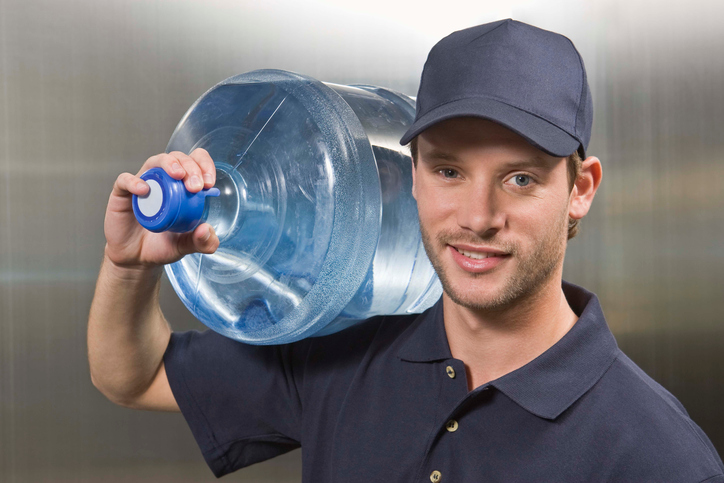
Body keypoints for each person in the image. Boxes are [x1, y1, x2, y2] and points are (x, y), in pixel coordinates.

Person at [88, 19, 724, 482]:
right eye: (449, 172)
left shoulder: (655, 457)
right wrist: (128, 267)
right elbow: (133, 375)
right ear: (413, 174)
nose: (477, 218)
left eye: (520, 179)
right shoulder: (342, 356)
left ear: (579, 190)